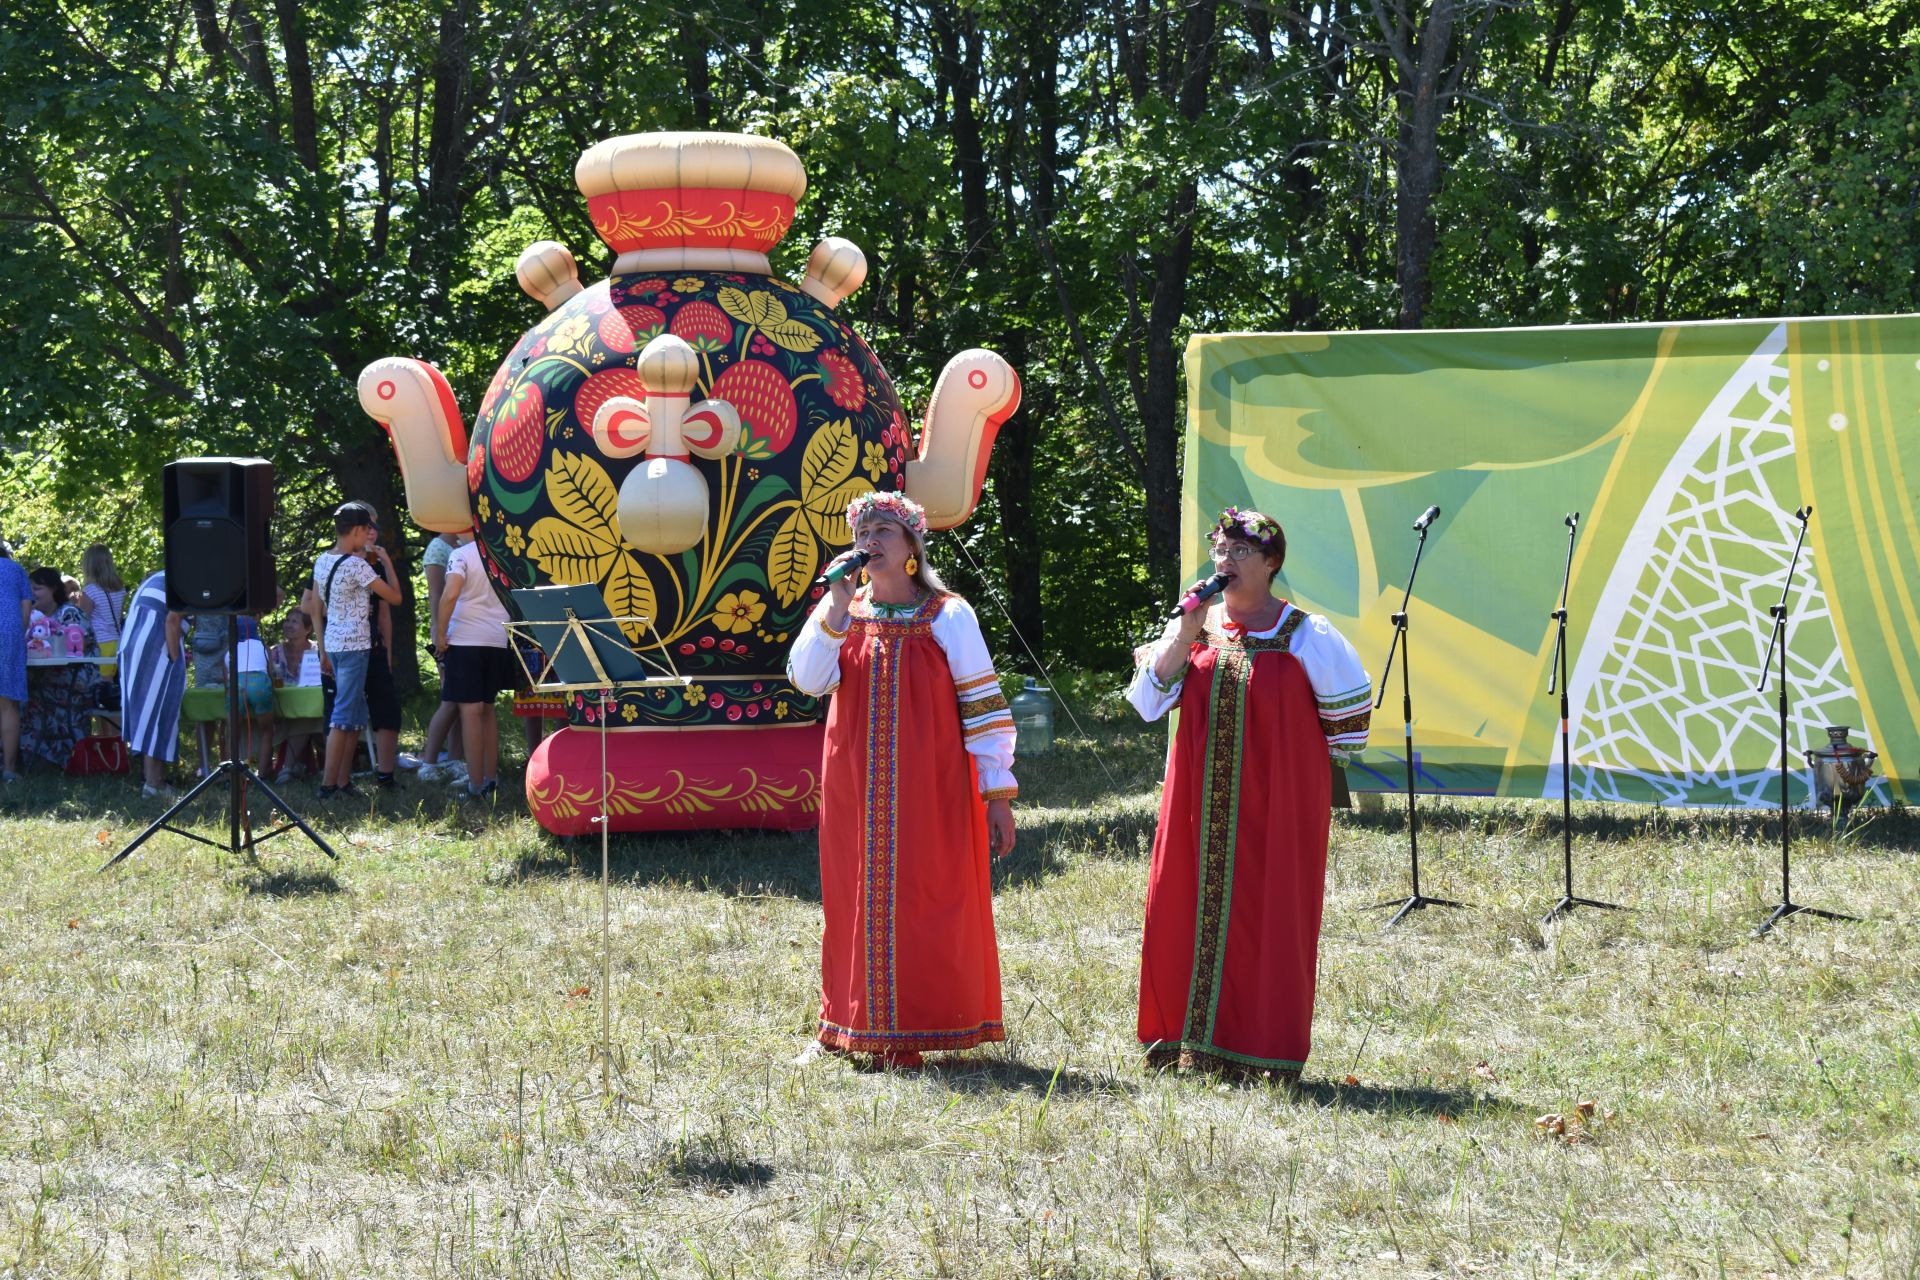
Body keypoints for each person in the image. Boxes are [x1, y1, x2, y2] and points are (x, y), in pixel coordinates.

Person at [1126, 507, 1372, 1084]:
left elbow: (1351, 731)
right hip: (1197, 801)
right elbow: (1145, 704)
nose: (1225, 560)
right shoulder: (1197, 628)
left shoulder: (1306, 634)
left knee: (1270, 913)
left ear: (1271, 563)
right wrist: (1184, 634)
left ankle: (1258, 1051)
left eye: (1239, 551)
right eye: (1220, 549)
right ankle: (1184, 1045)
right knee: (1183, 902)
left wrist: (1287, 759)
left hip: (1278, 805)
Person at [786, 490, 1017, 1069]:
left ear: (912, 545)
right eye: (863, 531)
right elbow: (807, 680)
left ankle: (930, 1022)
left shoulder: (948, 614)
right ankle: (850, 1023)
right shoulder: (844, 612)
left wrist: (997, 792)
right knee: (854, 894)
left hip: (931, 783)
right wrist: (836, 610)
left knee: (927, 896)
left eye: (884, 530)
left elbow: (983, 707)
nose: (870, 542)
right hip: (855, 784)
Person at [312, 501, 401, 799]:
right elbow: (394, 597)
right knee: (342, 716)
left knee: (354, 716)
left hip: (335, 644)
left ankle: (341, 782)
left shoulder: (322, 560)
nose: (369, 538)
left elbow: (315, 605)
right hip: (355, 646)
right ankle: (327, 786)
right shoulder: (357, 565)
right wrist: (386, 563)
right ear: (358, 531)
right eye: (367, 532)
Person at [432, 533, 514, 800]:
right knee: (487, 710)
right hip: (497, 639)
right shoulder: (500, 553)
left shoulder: (461, 555)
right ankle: (492, 778)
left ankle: (475, 786)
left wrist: (440, 633)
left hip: (466, 639)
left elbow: (450, 594)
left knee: (470, 712)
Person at [21, 566, 100, 769]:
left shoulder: (69, 613)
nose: (31, 594)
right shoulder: (30, 617)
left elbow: (79, 644)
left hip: (75, 677)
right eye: (29, 588)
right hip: (43, 675)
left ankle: (59, 758)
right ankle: (25, 756)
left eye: (37, 588)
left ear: (54, 589)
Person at [120, 569, 187, 798]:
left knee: (149, 713)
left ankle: (153, 781)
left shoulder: (166, 574)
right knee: (158, 712)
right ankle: (153, 782)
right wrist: (175, 657)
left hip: (135, 642)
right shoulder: (188, 578)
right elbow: (172, 619)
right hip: (155, 645)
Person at [414, 529, 469, 781]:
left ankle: (456, 760)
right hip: (448, 633)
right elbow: (436, 594)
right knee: (450, 700)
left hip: (467, 631)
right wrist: (439, 632)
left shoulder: (465, 542)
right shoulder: (438, 547)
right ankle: (429, 762)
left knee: (462, 702)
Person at [268, 607, 322, 783]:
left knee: (307, 717)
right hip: (282, 709)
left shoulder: (318, 651)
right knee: (301, 717)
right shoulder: (274, 652)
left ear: (308, 629)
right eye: (287, 620)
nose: (288, 625)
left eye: (294, 621)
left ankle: (289, 768)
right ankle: (290, 767)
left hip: (314, 708)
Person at [227, 614, 275, 772]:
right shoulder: (262, 646)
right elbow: (270, 672)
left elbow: (225, 675)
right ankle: (262, 773)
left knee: (233, 732)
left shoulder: (230, 649)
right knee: (267, 731)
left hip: (236, 686)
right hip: (259, 684)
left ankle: (231, 775)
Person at [77, 545, 127, 680]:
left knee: (100, 685)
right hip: (117, 640)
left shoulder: (90, 591)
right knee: (113, 684)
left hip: (100, 643)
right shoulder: (119, 589)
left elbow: (83, 621)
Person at [0, 541, 28, 781]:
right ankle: (9, 769)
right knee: (7, 704)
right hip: (9, 632)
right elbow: (26, 610)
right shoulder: (16, 569)